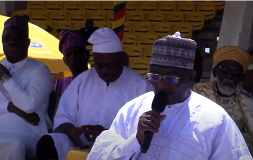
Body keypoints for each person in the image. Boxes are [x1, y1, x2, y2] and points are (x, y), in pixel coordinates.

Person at [87, 32, 252, 160]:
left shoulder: (215, 119)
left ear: (191, 77)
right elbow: (97, 156)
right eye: (155, 77)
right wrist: (135, 140)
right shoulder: (132, 110)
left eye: (171, 78)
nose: (161, 85)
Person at [35, 27, 154, 160]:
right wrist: (72, 131)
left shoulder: (141, 86)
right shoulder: (82, 80)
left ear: (119, 59)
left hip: (118, 149)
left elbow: (144, 132)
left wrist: (104, 135)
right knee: (48, 142)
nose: (103, 71)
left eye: (108, 65)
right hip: (79, 145)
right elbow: (63, 118)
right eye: (98, 65)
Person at [193, 46, 253, 160]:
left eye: (235, 72)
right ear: (215, 72)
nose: (229, 76)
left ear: (242, 77)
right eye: (225, 70)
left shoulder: (251, 105)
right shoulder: (200, 95)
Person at [0, 15, 53, 160]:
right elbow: (23, 109)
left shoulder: (40, 70)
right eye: (6, 38)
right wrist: (13, 108)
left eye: (16, 38)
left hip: (29, 133)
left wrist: (6, 78)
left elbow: (28, 105)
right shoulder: (1, 65)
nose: (10, 41)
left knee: (14, 145)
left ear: (27, 42)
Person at [53, 29, 90, 97]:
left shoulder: (101, 81)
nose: (73, 57)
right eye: (68, 55)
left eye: (77, 53)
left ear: (87, 55)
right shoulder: (59, 85)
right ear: (64, 61)